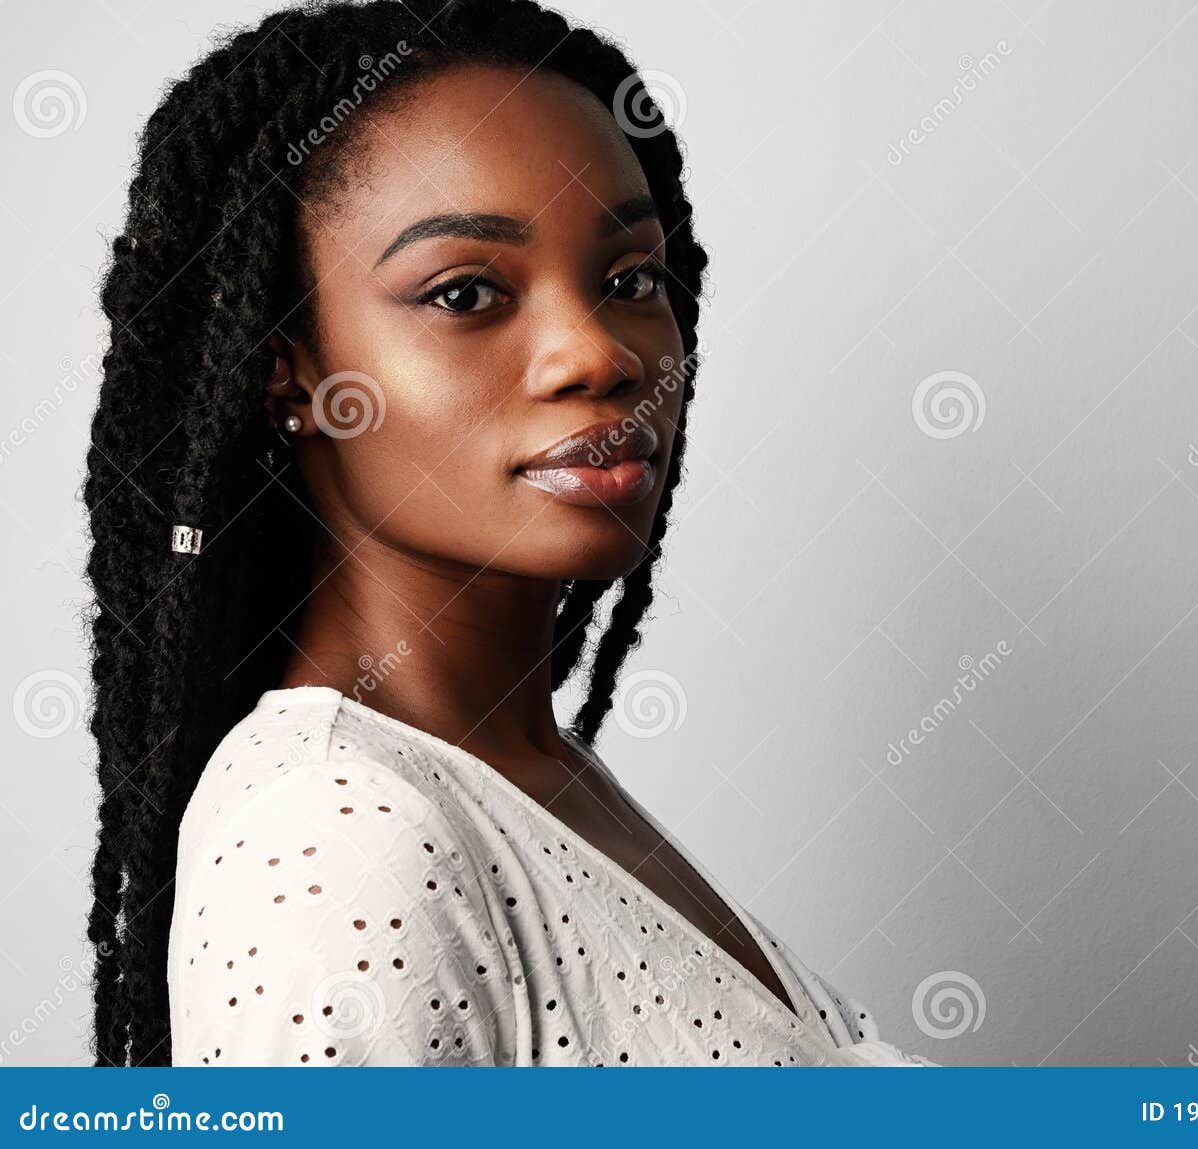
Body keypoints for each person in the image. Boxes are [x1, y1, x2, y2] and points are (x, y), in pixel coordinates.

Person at [84, 0, 934, 1067]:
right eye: (467, 291)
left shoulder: (529, 777)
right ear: (286, 370)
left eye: (629, 280)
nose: (598, 356)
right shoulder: (340, 839)